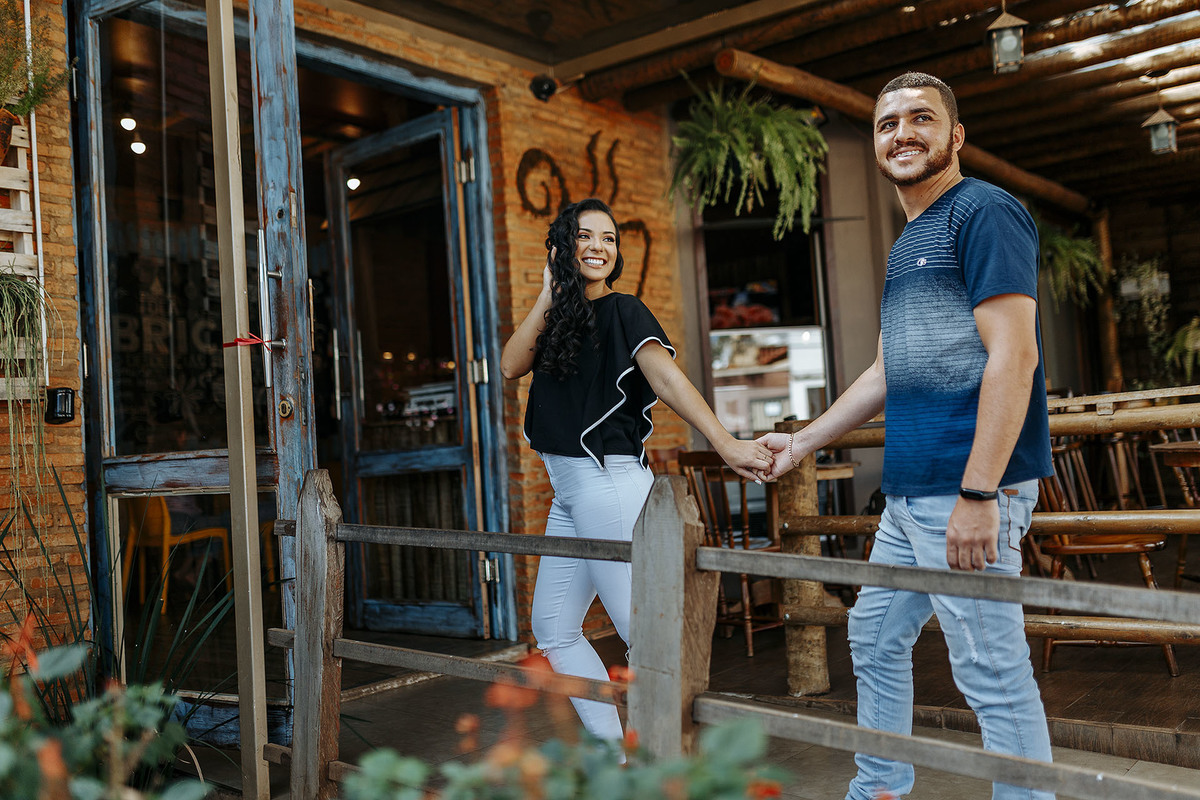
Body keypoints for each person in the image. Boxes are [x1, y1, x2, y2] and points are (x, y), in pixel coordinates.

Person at [757, 73, 1055, 800]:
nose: (903, 133)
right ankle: (879, 789)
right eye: (888, 123)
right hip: (910, 496)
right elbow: (887, 372)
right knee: (873, 635)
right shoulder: (910, 240)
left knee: (991, 672)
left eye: (922, 119)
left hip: (965, 488)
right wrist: (802, 444)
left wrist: (980, 492)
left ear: (955, 137)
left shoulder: (982, 212)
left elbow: (1015, 355)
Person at [500, 198, 772, 746]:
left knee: (646, 638)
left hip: (610, 484)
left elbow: (668, 382)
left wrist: (724, 444)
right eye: (584, 236)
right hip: (570, 494)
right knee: (554, 630)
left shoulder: (625, 311)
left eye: (609, 238)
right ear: (562, 246)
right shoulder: (556, 321)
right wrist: (546, 294)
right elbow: (509, 365)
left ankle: (677, 762)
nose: (599, 247)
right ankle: (615, 758)